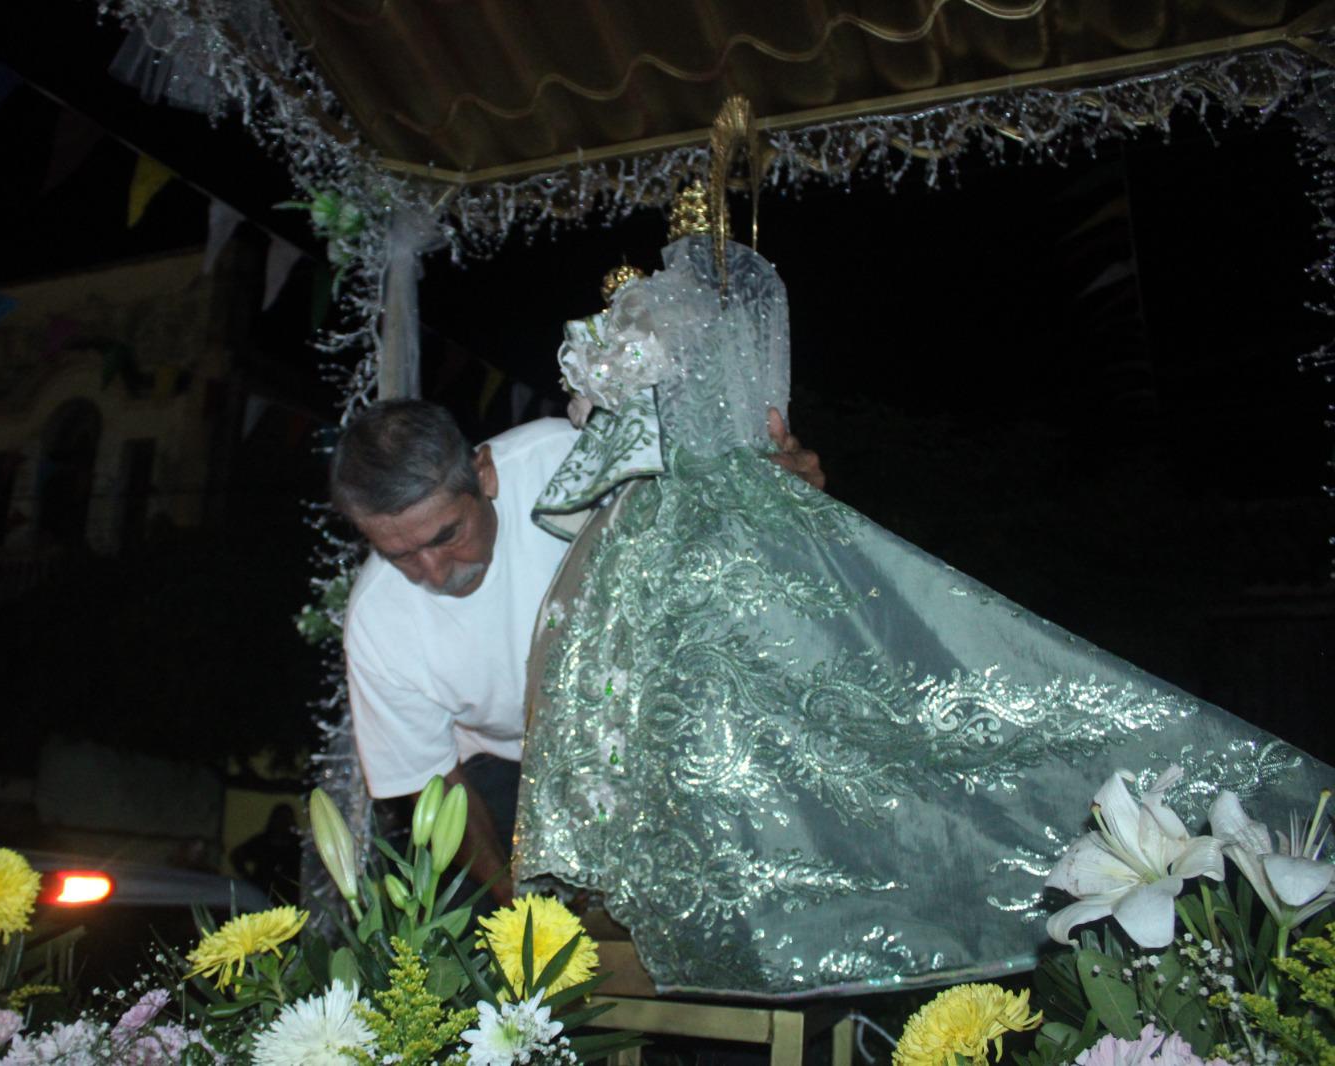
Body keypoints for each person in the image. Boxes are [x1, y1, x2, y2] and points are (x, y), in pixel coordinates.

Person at [515, 227, 1333, 998]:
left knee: (949, 703)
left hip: (729, 596)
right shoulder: (649, 520)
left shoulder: (678, 513)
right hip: (698, 723)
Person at [330, 398, 822, 905]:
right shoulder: (377, 622)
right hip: (511, 768)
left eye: (446, 535)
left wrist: (779, 502)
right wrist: (515, 904)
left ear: (485, 476)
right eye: (400, 555)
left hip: (657, 723)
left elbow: (713, 527)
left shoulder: (572, 461)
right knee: (449, 920)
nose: (434, 573)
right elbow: (434, 785)